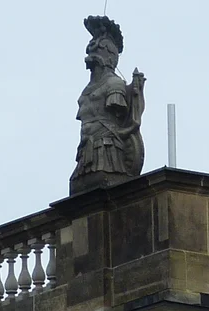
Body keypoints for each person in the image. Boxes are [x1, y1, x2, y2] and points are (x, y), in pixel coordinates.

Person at [72, 16, 146, 194]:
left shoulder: (114, 84)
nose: (93, 52)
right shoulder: (86, 90)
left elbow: (127, 121)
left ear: (109, 56)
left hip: (107, 151)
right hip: (86, 153)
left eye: (100, 48)